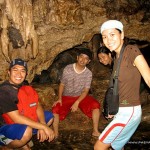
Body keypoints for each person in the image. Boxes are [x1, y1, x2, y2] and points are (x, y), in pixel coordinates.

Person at [94, 20, 150, 150]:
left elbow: (148, 78)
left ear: (122, 34)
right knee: (117, 147)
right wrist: (113, 108)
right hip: (121, 110)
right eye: (105, 37)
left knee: (99, 147)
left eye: (112, 34)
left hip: (129, 111)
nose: (108, 40)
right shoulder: (116, 57)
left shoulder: (131, 50)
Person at [0, 58, 55, 150]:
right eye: (15, 70)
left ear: (26, 74)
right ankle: (6, 145)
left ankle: (22, 139)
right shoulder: (4, 92)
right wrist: (43, 127)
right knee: (27, 132)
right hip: (4, 125)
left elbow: (37, 105)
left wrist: (42, 124)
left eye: (22, 71)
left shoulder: (24, 85)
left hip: (21, 120)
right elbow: (16, 118)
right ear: (9, 72)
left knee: (49, 116)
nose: (19, 74)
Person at [52, 48, 101, 138]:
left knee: (96, 105)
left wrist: (77, 102)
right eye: (81, 57)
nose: (83, 60)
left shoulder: (88, 73)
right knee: (55, 108)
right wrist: (59, 98)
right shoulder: (68, 68)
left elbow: (86, 90)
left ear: (88, 61)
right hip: (67, 96)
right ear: (77, 57)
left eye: (86, 58)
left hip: (81, 96)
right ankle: (55, 133)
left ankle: (95, 131)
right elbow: (62, 84)